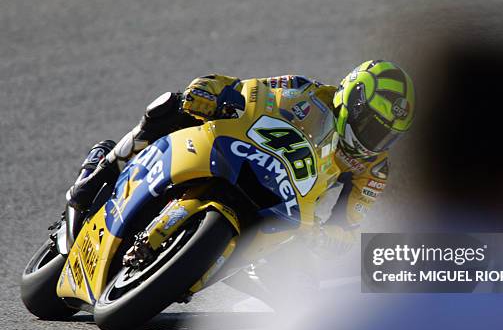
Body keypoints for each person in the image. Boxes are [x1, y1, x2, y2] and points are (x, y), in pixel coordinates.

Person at [68, 60, 415, 254]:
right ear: (353, 99)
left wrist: (329, 240)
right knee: (170, 106)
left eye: (388, 135)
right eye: (373, 126)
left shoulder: (374, 171)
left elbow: (350, 226)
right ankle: (99, 172)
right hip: (244, 153)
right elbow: (242, 87)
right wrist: (207, 93)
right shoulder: (306, 89)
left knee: (305, 281)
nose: (376, 140)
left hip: (288, 206)